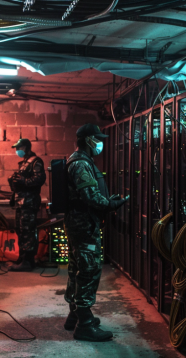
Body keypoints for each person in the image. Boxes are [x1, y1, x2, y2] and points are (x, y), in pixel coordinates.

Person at [64, 123, 128, 341]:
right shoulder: (81, 164)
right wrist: (111, 204)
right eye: (98, 139)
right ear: (89, 140)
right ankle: (84, 325)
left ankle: (76, 315)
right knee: (88, 271)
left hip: (78, 224)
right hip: (84, 226)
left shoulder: (78, 161)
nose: (100, 143)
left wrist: (107, 201)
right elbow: (90, 197)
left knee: (77, 268)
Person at [8, 138, 46, 271]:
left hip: (29, 203)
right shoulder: (24, 162)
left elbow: (39, 179)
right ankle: (23, 257)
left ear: (26, 148)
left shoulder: (36, 161)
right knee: (21, 230)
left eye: (19, 148)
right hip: (21, 203)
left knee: (27, 231)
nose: (17, 151)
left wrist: (24, 181)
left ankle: (28, 261)